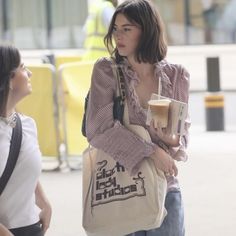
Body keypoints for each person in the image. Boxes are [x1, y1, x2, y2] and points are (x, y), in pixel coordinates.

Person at [85, 0, 190, 235]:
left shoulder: (175, 75)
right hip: (120, 189)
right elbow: (99, 128)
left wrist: (170, 139)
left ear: (147, 30)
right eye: (115, 29)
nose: (117, 36)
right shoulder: (107, 71)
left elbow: (181, 137)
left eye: (127, 29)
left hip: (165, 190)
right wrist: (153, 151)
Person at [0, 44, 52, 236]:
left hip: (31, 227)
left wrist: (44, 203)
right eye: (22, 67)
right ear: (9, 79)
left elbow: (22, 167)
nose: (29, 73)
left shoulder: (27, 124)